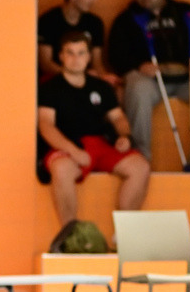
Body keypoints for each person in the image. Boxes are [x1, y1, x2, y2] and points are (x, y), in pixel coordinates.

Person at [39, 31, 150, 226]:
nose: (76, 58)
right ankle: (70, 234)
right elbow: (46, 126)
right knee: (61, 169)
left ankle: (124, 232)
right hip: (68, 146)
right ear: (61, 56)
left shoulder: (102, 87)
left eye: (81, 53)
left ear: (89, 57)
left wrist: (125, 136)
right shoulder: (49, 88)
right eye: (70, 53)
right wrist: (74, 152)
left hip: (102, 145)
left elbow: (118, 118)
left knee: (140, 166)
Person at [107, 0, 190, 160]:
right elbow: (116, 56)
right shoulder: (125, 20)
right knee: (137, 88)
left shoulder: (185, 11)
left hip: (185, 78)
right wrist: (139, 65)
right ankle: (141, 156)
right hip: (150, 81)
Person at [38, 0, 116, 84]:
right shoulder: (48, 20)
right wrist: (74, 75)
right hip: (56, 78)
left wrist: (105, 77)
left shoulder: (95, 22)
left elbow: (97, 63)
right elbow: (46, 64)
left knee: (115, 91)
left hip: (86, 79)